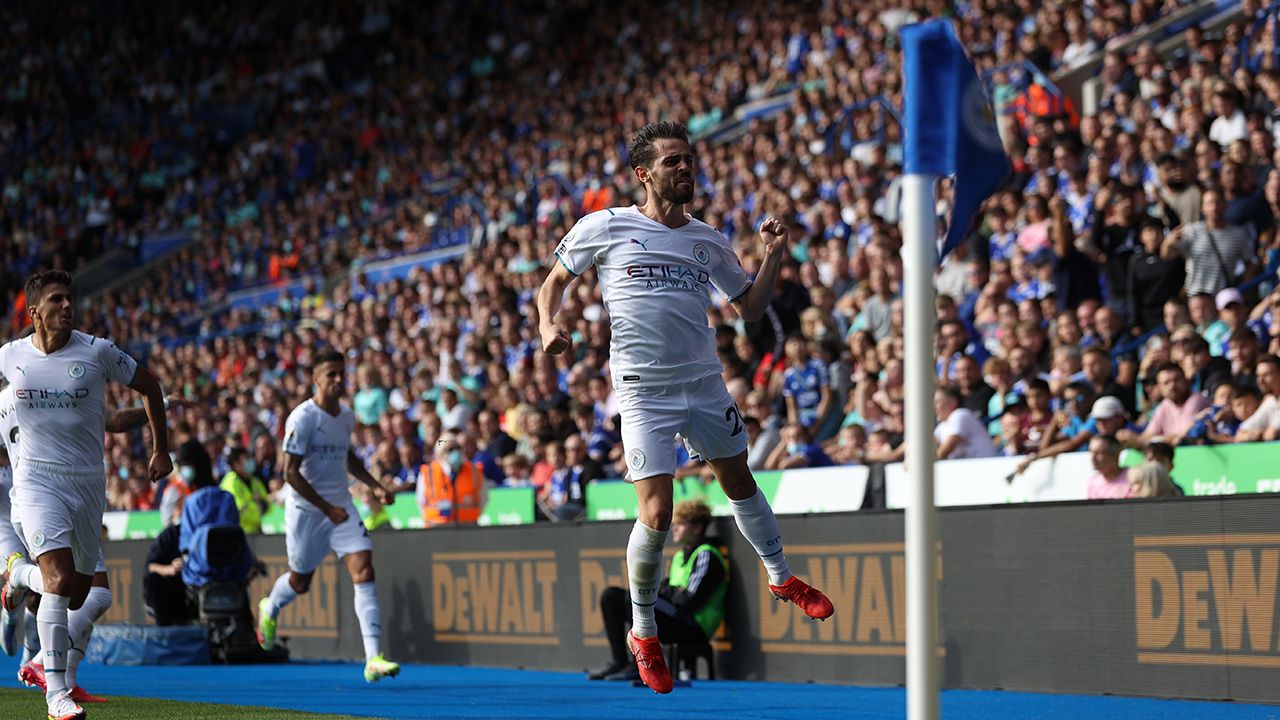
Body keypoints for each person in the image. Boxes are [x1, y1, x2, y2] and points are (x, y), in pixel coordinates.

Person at [537, 121, 832, 694]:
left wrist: (772, 254)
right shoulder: (605, 226)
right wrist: (550, 324)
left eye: (688, 159)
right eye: (672, 161)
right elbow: (553, 284)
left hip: (702, 383)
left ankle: (781, 578)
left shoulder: (708, 240)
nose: (684, 168)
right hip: (643, 389)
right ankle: (643, 632)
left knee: (739, 481)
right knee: (657, 511)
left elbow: (749, 307)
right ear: (644, 173)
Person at [0, 270, 171, 720]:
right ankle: (57, 694)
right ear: (35, 312)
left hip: (88, 481)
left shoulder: (96, 352)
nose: (67, 306)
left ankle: (18, 577)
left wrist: (161, 449)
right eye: (56, 300)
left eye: (69, 299)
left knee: (78, 594)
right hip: (36, 481)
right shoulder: (10, 356)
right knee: (58, 580)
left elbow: (149, 386)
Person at [255, 349, 400, 683]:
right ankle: (270, 606)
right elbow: (290, 473)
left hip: (341, 506)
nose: (338, 380)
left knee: (364, 567)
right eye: (330, 374)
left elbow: (346, 456)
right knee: (300, 582)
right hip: (307, 511)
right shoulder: (302, 418)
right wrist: (325, 508)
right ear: (315, 379)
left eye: (341, 374)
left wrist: (375, 486)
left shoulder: (346, 416)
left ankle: (373, 658)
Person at [588, 500, 727, 682]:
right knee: (612, 596)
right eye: (675, 524)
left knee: (635, 597)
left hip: (694, 626)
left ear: (697, 528)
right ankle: (619, 661)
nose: (675, 528)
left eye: (681, 524)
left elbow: (688, 601)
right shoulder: (679, 556)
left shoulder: (706, 554)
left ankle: (638, 663)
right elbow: (665, 588)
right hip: (675, 615)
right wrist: (673, 591)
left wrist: (671, 592)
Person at [416, 432, 487, 527]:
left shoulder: (474, 471)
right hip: (437, 527)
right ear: (440, 453)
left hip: (467, 527)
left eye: (458, 448)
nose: (456, 452)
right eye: (450, 449)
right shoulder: (428, 473)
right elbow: (421, 501)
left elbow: (483, 499)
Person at [933, 386, 998, 460]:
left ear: (952, 402)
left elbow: (942, 452)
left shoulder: (960, 414)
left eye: (937, 402)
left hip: (984, 467)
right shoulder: (942, 426)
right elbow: (930, 446)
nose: (934, 407)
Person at [220, 447, 272, 535]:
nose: (249, 462)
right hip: (238, 534)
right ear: (236, 464)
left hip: (258, 532)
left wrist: (254, 506)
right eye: (246, 459)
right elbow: (241, 511)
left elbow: (269, 508)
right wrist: (259, 505)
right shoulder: (230, 483)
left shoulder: (255, 482)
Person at [1086, 435, 1130, 499]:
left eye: (1099, 452)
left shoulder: (1133, 479)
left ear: (1115, 456)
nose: (1092, 457)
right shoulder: (1093, 483)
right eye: (1091, 451)